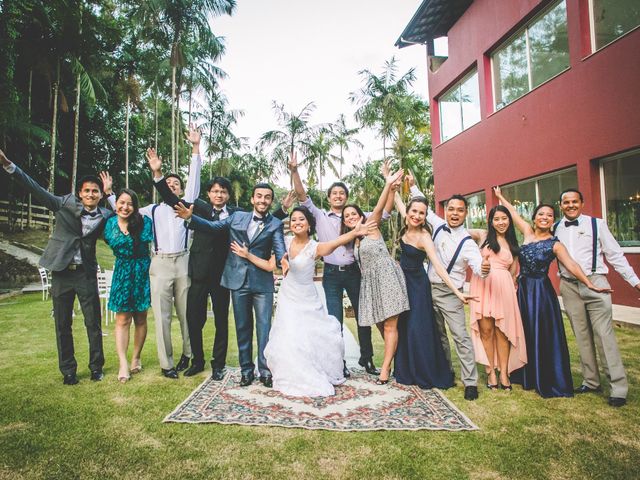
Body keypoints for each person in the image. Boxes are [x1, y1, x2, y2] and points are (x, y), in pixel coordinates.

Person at [152, 165, 292, 380]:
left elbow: (264, 221)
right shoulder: (197, 206)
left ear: (228, 195)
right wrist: (159, 177)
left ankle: (220, 364)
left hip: (225, 276)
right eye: (215, 191)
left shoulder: (237, 213)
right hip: (198, 273)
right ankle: (197, 360)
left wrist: (282, 213)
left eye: (223, 191)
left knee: (222, 322)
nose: (219, 195)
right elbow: (177, 203)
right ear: (209, 194)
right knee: (194, 318)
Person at [230, 206, 376, 397]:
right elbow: (269, 265)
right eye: (294, 220)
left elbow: (335, 242)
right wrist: (247, 255)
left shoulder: (315, 247)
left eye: (301, 220)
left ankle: (310, 371)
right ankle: (288, 371)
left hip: (307, 299)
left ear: (309, 225)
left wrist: (355, 232)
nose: (297, 223)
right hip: (287, 298)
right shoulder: (284, 242)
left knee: (308, 337)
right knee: (288, 336)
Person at [1, 148, 114, 385]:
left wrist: (111, 192)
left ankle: (96, 368)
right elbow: (35, 189)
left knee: (93, 322)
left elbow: (124, 214)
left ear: (100, 195)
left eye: (95, 191)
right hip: (61, 272)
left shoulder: (105, 215)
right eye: (87, 191)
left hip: (86, 274)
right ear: (80, 194)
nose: (91, 194)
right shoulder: (63, 204)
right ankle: (68, 371)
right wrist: (9, 165)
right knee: (63, 324)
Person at [493, 187, 608, 398]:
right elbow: (513, 214)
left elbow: (572, 265)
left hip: (540, 293)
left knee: (541, 333)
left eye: (549, 215)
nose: (544, 218)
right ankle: (522, 372)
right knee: (523, 331)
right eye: (541, 214)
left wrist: (588, 283)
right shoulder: (527, 232)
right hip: (522, 291)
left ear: (552, 220)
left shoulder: (555, 244)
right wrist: (501, 198)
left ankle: (545, 375)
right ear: (535, 218)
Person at [288, 151, 381, 377]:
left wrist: (391, 189)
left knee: (363, 316)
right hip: (331, 274)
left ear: (346, 197)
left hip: (353, 273)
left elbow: (381, 212)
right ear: (329, 198)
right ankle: (338, 361)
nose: (338, 196)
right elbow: (302, 195)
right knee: (334, 319)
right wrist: (294, 171)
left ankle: (366, 358)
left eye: (342, 193)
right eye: (334, 193)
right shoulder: (319, 216)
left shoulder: (355, 217)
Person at [554, 188, 640, 407]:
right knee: (581, 336)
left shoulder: (597, 224)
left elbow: (615, 255)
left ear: (582, 203)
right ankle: (591, 381)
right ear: (560, 205)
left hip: (596, 283)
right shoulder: (555, 228)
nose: (570, 205)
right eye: (566, 202)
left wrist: (635, 281)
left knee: (604, 335)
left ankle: (618, 388)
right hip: (569, 286)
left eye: (575, 201)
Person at [128, 126, 201, 379]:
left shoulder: (185, 205)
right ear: (161, 189)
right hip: (159, 263)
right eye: (167, 184)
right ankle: (166, 363)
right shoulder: (152, 210)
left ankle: (188, 355)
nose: (172, 187)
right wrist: (109, 195)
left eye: (176, 184)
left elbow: (194, 182)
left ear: (180, 190)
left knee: (185, 314)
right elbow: (125, 210)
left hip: (183, 261)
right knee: (162, 317)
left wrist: (195, 148)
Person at [409, 176, 489, 400]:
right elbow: (420, 205)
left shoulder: (468, 242)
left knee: (460, 336)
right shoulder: (437, 224)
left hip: (451, 293)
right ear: (446, 210)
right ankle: (445, 372)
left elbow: (479, 268)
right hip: (427, 289)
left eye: (459, 210)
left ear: (465, 214)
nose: (454, 213)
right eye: (451, 209)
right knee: (438, 335)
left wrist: (484, 268)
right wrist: (412, 184)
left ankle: (470, 382)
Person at [393, 195, 472, 389]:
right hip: (404, 284)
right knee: (404, 328)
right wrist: (391, 185)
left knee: (417, 329)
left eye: (422, 213)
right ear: (409, 212)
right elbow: (399, 203)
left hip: (419, 287)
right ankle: (408, 370)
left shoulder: (424, 237)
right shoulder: (407, 222)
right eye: (414, 211)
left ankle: (427, 372)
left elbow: (438, 266)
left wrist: (457, 292)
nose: (417, 215)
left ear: (425, 216)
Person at [342, 170, 409, 385]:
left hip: (387, 278)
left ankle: (386, 368)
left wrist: (387, 184)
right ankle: (398, 361)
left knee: (390, 326)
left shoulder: (371, 226)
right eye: (347, 216)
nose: (351, 217)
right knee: (381, 326)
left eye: (354, 214)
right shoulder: (355, 238)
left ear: (361, 216)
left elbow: (380, 207)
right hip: (370, 283)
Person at [467, 205, 527, 390]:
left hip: (504, 289)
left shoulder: (513, 244)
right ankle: (490, 372)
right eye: (497, 219)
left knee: (503, 332)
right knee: (486, 331)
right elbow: (457, 230)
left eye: (504, 218)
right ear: (491, 221)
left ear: (509, 220)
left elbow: (512, 273)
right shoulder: (483, 236)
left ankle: (504, 373)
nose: (501, 222)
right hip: (482, 286)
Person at [103, 188, 153, 383]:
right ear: (116, 205)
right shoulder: (109, 225)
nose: (125, 207)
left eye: (130, 203)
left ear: (135, 206)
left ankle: (136, 357)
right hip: (122, 273)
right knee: (122, 319)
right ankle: (123, 363)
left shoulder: (144, 223)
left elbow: (145, 243)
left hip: (142, 271)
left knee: (141, 317)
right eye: (121, 203)